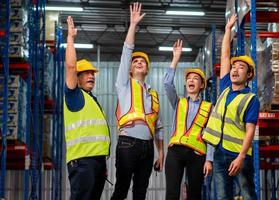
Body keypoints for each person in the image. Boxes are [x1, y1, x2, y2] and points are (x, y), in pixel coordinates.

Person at [202, 14, 260, 199]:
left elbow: (250, 131)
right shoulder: (226, 87)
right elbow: (225, 55)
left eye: (241, 67)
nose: (234, 69)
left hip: (239, 156)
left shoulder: (251, 99)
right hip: (220, 153)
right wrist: (228, 30)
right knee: (222, 197)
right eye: (233, 67)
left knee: (248, 194)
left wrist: (241, 157)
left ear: (249, 74)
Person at [111, 2, 164, 200]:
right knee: (121, 190)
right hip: (127, 144)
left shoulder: (153, 95)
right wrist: (133, 25)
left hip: (148, 147)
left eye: (143, 61)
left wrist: (161, 154)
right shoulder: (124, 84)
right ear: (130, 70)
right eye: (135, 61)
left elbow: (158, 127)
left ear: (147, 70)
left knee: (140, 193)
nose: (139, 62)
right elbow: (126, 53)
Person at [64, 16, 110, 200]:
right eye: (86, 73)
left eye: (92, 73)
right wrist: (71, 38)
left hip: (96, 162)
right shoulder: (74, 95)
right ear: (77, 77)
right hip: (83, 162)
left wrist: (102, 164)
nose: (91, 76)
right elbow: (70, 66)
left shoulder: (92, 100)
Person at [163, 39, 213, 200]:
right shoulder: (178, 102)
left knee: (194, 195)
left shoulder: (208, 107)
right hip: (175, 152)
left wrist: (209, 160)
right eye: (189, 78)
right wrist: (175, 58)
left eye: (195, 79)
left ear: (201, 85)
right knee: (171, 194)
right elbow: (167, 83)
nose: (191, 80)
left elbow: (211, 135)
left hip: (197, 154)